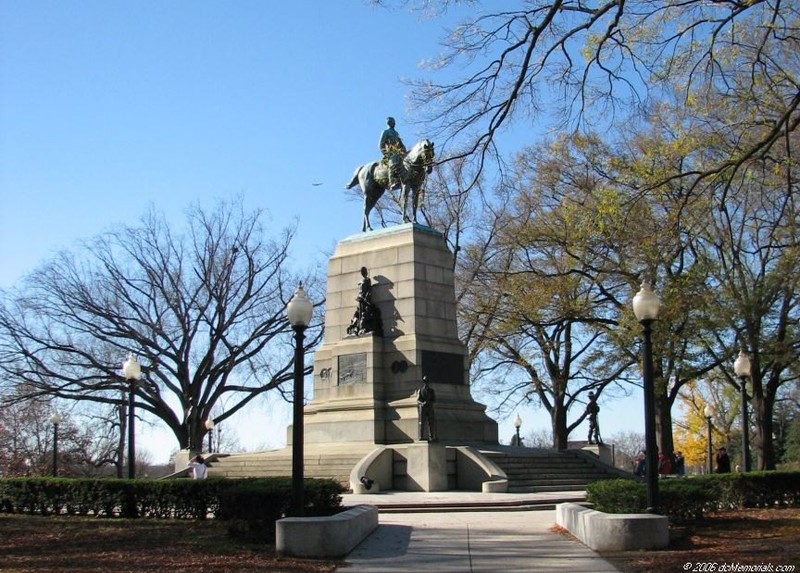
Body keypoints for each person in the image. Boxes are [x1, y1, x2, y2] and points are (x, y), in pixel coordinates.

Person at [379, 116, 406, 189]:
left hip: (399, 153)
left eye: (394, 122)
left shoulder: (396, 133)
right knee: (393, 164)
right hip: (391, 153)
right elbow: (381, 144)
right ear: (389, 123)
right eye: (391, 122)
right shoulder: (385, 132)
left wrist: (405, 151)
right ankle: (393, 182)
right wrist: (386, 154)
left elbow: (401, 144)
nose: (393, 124)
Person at [417, 376, 436, 441]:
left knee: (431, 423)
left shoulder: (431, 391)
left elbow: (433, 399)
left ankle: (431, 436)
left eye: (427, 381)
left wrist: (428, 402)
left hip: (430, 408)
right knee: (421, 423)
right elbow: (418, 400)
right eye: (425, 381)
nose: (426, 383)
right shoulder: (420, 390)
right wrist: (422, 403)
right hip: (423, 408)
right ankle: (421, 436)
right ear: (423, 382)